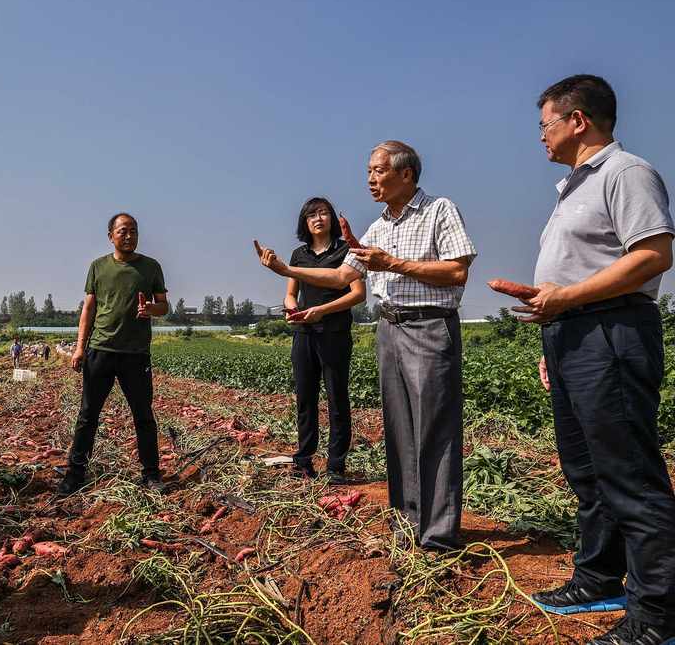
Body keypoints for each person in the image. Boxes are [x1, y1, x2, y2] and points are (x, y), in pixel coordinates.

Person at [255, 141, 476, 552]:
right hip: (389, 330)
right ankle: (408, 523)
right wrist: (285, 270)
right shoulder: (377, 228)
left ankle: (439, 535)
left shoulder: (439, 210)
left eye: (378, 171)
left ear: (405, 174)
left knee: (435, 429)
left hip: (428, 327)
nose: (370, 179)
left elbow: (458, 270)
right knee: (400, 430)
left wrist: (392, 263)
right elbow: (341, 278)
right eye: (369, 172)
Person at [515, 75, 675, 644]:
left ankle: (657, 613)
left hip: (611, 332)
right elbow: (576, 271)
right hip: (572, 337)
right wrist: (553, 333)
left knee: (628, 473)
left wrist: (567, 301)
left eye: (545, 124)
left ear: (577, 120)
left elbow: (653, 256)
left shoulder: (626, 173)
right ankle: (598, 577)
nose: (541, 137)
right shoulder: (570, 188)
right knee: (587, 470)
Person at [57, 213, 168, 496]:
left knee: (143, 416)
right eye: (123, 231)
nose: (129, 236)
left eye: (133, 231)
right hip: (101, 350)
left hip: (135, 354)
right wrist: (80, 347)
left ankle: (151, 475)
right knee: (87, 415)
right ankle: (75, 473)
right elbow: (89, 310)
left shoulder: (151, 267)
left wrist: (150, 310)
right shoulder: (98, 267)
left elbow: (164, 306)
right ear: (111, 236)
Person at [281, 197, 365, 480]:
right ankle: (303, 460)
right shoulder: (298, 255)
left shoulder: (346, 251)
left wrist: (321, 311)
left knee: (337, 399)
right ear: (305, 222)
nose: (319, 219)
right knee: (305, 398)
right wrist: (293, 309)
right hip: (304, 335)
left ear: (331, 219)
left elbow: (357, 294)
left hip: (335, 335)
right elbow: (291, 292)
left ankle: (336, 465)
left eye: (324, 213)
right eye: (312, 215)